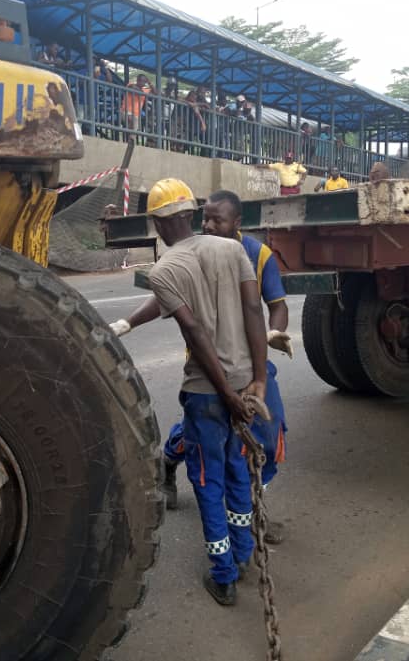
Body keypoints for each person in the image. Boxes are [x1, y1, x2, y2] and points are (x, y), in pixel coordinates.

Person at [111, 190, 292, 541]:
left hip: (252, 362)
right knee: (204, 429)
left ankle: (253, 507)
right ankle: (172, 459)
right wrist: (128, 323)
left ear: (237, 223)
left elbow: (275, 305)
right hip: (207, 366)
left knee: (268, 435)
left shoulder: (257, 254)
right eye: (205, 218)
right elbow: (167, 297)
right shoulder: (196, 251)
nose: (208, 225)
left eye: (216, 220)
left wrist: (272, 334)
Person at [130, 178, 268, 606]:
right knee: (237, 470)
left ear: (157, 223)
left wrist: (224, 393)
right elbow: (254, 310)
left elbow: (193, 330)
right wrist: (257, 381)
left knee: (207, 480)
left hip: (207, 393)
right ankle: (243, 554)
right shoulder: (233, 249)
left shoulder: (163, 271)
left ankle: (223, 575)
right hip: (244, 385)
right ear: (191, 213)